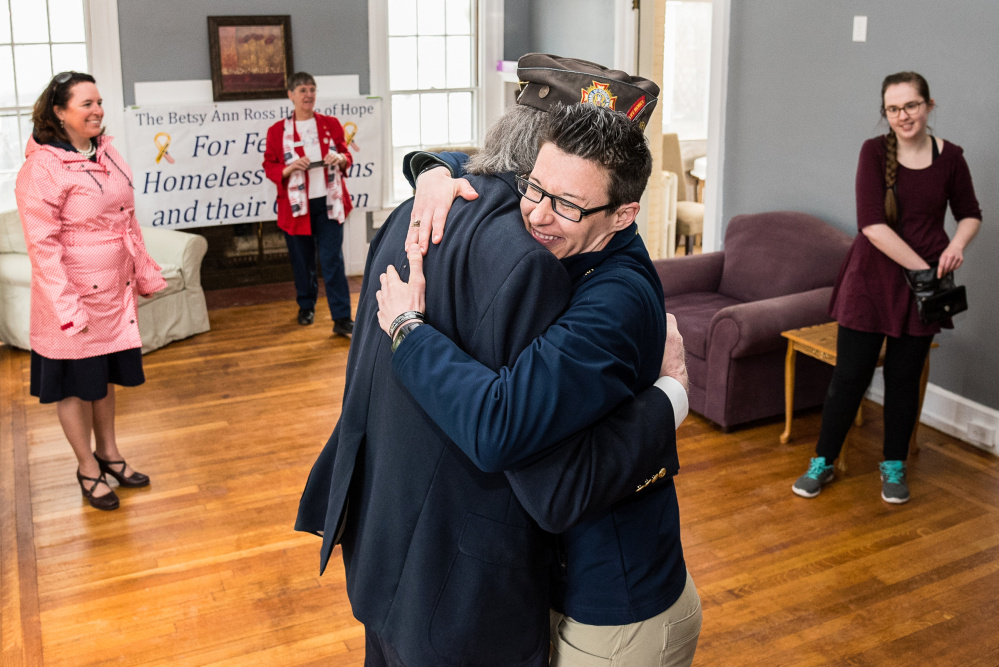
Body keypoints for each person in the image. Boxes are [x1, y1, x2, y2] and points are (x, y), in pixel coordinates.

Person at [296, 57, 689, 666]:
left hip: (410, 545)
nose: (538, 213)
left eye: (567, 202)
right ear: (539, 155)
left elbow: (506, 432)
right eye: (537, 187)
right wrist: (435, 166)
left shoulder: (417, 214)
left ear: (622, 209)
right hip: (453, 578)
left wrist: (670, 399)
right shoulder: (506, 237)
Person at [792, 71, 982, 504]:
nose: (903, 116)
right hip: (873, 282)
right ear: (886, 113)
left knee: (904, 378)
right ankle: (823, 460)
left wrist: (956, 244)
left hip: (926, 288)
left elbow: (971, 213)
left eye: (911, 105)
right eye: (893, 109)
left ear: (929, 106)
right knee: (849, 377)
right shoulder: (874, 152)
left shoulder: (950, 157)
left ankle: (894, 465)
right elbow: (872, 226)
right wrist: (923, 269)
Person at [15, 71, 167, 511]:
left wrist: (144, 273)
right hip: (70, 299)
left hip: (112, 295)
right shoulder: (41, 168)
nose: (97, 110)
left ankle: (110, 454)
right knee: (74, 387)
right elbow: (42, 248)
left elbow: (126, 221)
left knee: (103, 381)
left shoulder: (109, 153)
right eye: (86, 104)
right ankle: (87, 467)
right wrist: (67, 309)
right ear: (59, 113)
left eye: (99, 101)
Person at [263, 72, 355, 337]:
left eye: (312, 89)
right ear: (290, 95)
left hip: (329, 202)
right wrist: (290, 167)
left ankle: (341, 318)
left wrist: (340, 157)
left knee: (332, 261)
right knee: (302, 262)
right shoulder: (276, 131)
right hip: (295, 209)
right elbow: (270, 165)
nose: (308, 95)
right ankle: (306, 306)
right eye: (302, 90)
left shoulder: (330, 123)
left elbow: (346, 155)